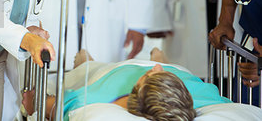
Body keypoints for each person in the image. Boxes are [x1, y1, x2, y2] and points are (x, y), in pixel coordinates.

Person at [22, 48, 231, 121]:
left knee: (88, 69)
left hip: (115, 72)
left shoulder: (89, 100)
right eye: (157, 71)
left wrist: (34, 103)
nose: (155, 67)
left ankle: (86, 62)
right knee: (167, 65)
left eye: (151, 75)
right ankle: (163, 59)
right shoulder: (204, 94)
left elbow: (36, 104)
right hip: (179, 74)